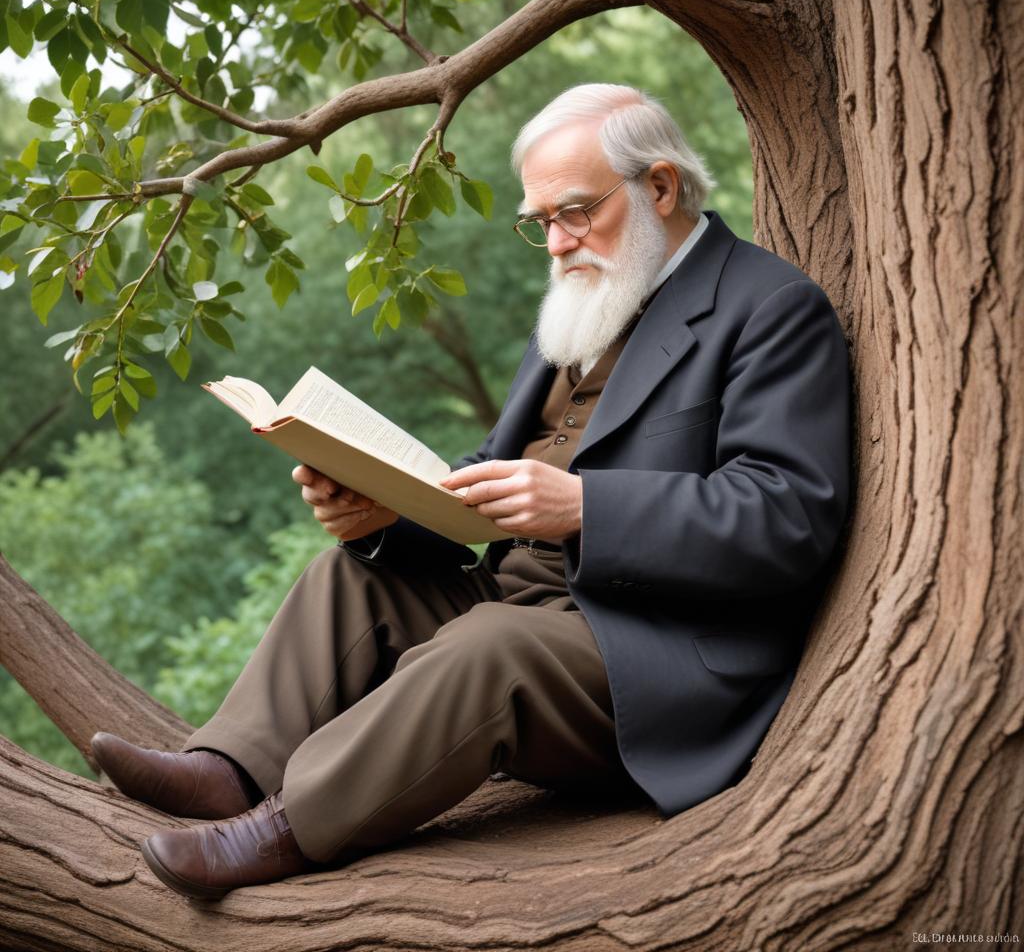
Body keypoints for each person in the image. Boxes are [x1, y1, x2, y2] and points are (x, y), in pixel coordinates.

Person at [91, 83, 851, 900]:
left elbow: (787, 515)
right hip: (529, 607)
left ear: (660, 187)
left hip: (657, 654)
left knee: (489, 642)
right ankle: (229, 769)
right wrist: (384, 512)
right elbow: (489, 482)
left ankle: (283, 827)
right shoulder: (590, 297)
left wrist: (585, 508)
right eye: (540, 222)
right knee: (352, 577)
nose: (556, 243)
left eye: (575, 212)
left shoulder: (771, 307)